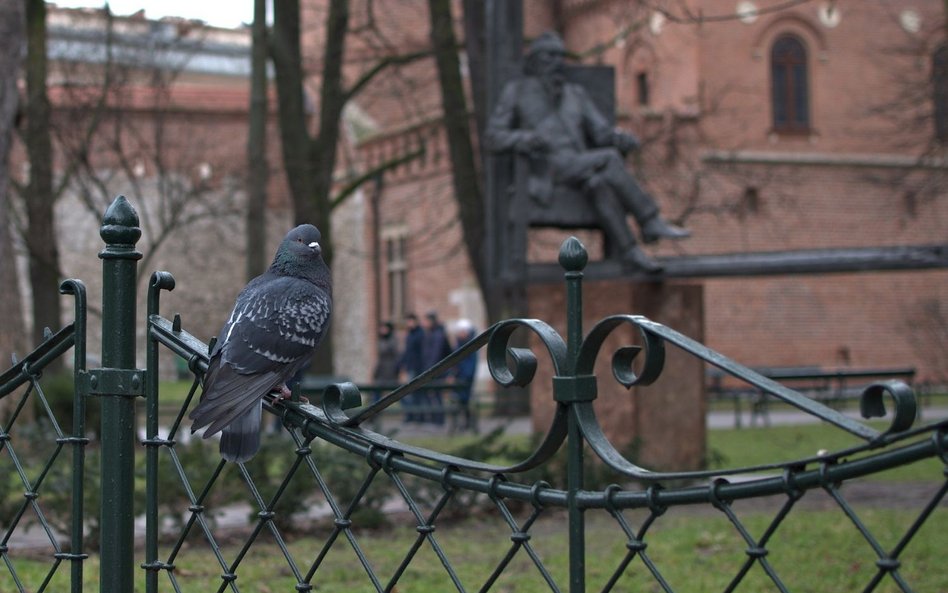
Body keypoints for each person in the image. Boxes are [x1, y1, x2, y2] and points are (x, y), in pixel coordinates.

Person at [486, 30, 690, 273]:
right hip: (547, 169)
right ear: (536, 60)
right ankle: (649, 220)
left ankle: (630, 252)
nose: (556, 62)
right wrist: (525, 138)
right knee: (609, 159)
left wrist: (620, 138)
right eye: (550, 56)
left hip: (579, 165)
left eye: (560, 56)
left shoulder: (576, 94)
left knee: (599, 185)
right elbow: (493, 137)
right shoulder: (517, 92)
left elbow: (602, 133)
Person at [419, 310, 453, 425]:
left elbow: (435, 354)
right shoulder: (430, 334)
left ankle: (438, 419)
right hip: (432, 369)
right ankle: (435, 418)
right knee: (431, 395)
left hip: (437, 370)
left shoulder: (438, 335)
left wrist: (429, 370)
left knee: (437, 395)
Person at [449, 319, 478, 433]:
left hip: (466, 379)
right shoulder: (458, 345)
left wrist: (466, 376)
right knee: (459, 402)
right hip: (459, 378)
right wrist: (453, 374)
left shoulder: (471, 345)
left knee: (465, 401)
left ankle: (468, 423)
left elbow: (470, 364)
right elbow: (455, 362)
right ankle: (461, 424)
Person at [397, 312, 425, 422]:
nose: (408, 324)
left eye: (410, 321)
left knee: (415, 393)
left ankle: (417, 416)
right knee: (407, 393)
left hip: (417, 367)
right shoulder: (410, 334)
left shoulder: (420, 334)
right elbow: (407, 352)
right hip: (410, 367)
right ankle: (411, 415)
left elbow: (420, 352)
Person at [372, 321, 400, 404]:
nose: (382, 330)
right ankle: (373, 414)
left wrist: (396, 370)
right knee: (376, 394)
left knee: (398, 393)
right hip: (381, 372)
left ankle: (411, 412)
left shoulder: (392, 341)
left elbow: (396, 357)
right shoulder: (381, 340)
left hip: (390, 371)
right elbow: (380, 359)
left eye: (384, 328)